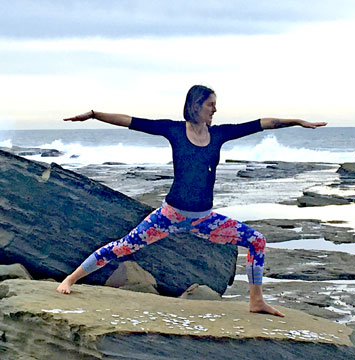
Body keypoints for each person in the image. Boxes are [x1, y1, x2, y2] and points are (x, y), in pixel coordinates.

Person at [56, 85, 327, 317]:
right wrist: (93, 115)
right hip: (169, 216)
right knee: (123, 247)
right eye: (211, 105)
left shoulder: (219, 134)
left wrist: (298, 121)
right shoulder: (173, 130)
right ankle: (71, 279)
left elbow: (261, 124)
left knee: (256, 240)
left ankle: (256, 301)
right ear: (196, 105)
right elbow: (129, 121)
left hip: (205, 220)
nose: (215, 110)